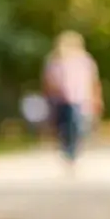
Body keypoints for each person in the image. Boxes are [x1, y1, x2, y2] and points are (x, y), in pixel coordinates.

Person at [42, 30, 102, 169]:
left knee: (77, 125)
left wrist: (96, 98)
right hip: (60, 100)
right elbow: (48, 80)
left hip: (80, 99)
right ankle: (66, 150)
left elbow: (93, 81)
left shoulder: (85, 60)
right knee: (62, 126)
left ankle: (74, 151)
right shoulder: (54, 60)